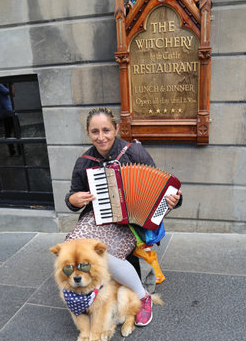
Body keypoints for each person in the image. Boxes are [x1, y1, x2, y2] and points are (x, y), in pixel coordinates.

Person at [65, 107, 182, 326]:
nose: (101, 137)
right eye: (95, 132)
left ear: (117, 128)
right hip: (97, 218)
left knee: (102, 252)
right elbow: (71, 196)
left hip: (132, 221)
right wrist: (73, 200)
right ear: (88, 132)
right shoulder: (84, 162)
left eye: (106, 130)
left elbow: (161, 189)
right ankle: (90, 294)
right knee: (73, 245)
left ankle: (142, 296)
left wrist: (173, 200)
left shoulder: (134, 152)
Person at [0, 83, 21, 155]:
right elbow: (12, 93)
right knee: (17, 132)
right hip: (9, 112)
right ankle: (20, 151)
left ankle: (12, 151)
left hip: (3, 112)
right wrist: (11, 83)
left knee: (8, 132)